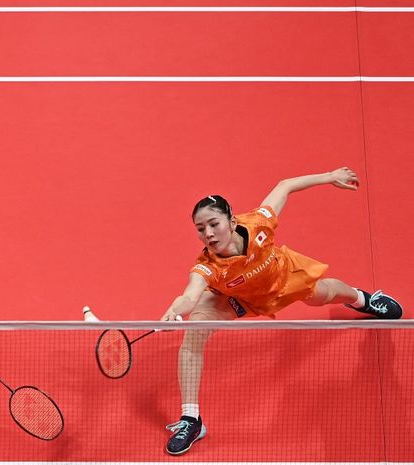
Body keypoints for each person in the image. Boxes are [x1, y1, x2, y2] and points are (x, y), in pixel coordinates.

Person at [160, 167, 403, 455]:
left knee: (327, 294)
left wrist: (330, 177)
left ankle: (363, 299)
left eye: (214, 224)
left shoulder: (258, 223)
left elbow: (284, 185)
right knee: (194, 332)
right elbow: (189, 295)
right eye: (201, 229)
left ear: (231, 220)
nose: (209, 234)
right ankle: (191, 419)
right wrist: (175, 311)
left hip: (284, 279)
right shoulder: (207, 266)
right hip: (239, 299)